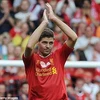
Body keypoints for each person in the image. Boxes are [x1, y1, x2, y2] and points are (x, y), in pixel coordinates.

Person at [22, 3, 77, 100]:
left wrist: (54, 18)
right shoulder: (31, 59)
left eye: (51, 43)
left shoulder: (59, 55)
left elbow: (73, 37)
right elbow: (30, 46)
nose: (48, 46)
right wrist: (44, 23)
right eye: (44, 42)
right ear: (38, 42)